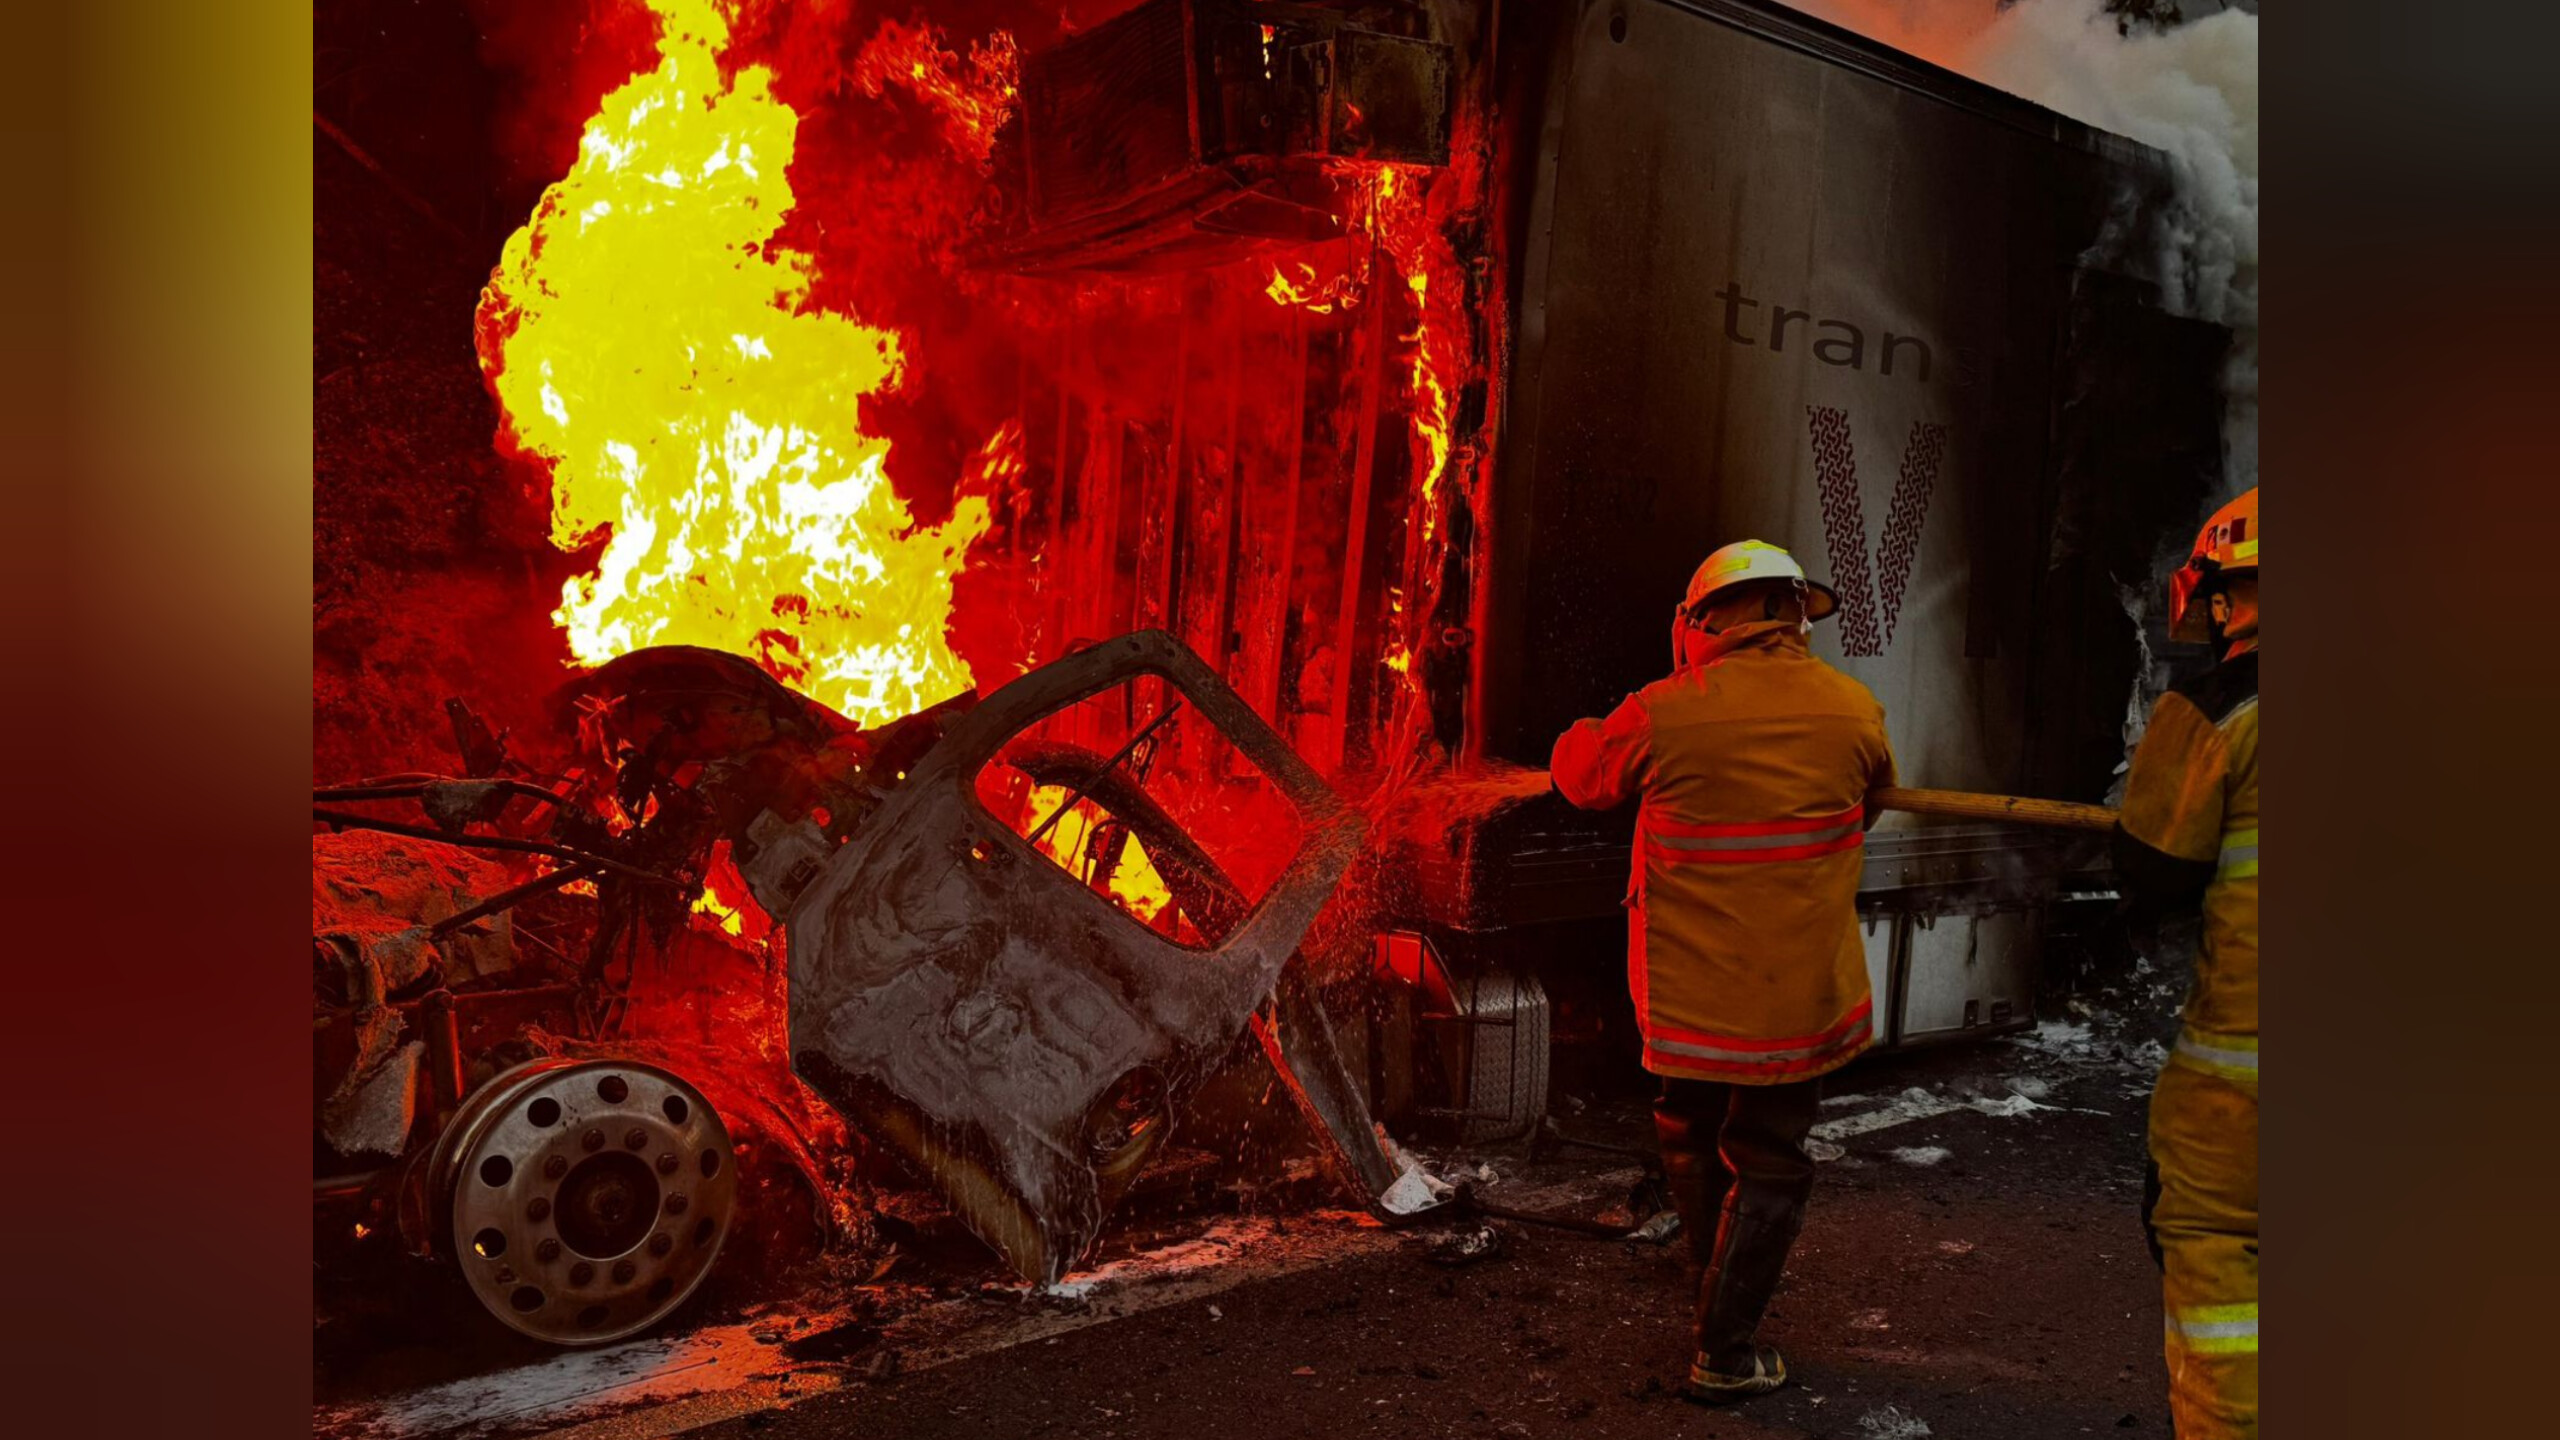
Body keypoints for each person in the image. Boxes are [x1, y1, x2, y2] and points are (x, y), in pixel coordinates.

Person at [1549, 539, 1897, 1403]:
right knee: (1771, 1156)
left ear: (1702, 621)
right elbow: (1872, 807)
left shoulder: (1662, 711)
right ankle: (1723, 1325)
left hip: (1688, 994)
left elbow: (1586, 777)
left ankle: (1719, 1321)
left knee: (1688, 1128)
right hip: (1794, 998)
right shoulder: (1853, 709)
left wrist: (1576, 736)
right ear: (1788, 614)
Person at [2115, 487, 2259, 1438]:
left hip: (2245, 1093)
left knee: (2217, 1269)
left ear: (2220, 599)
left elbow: (2151, 876)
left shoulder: (2217, 708)